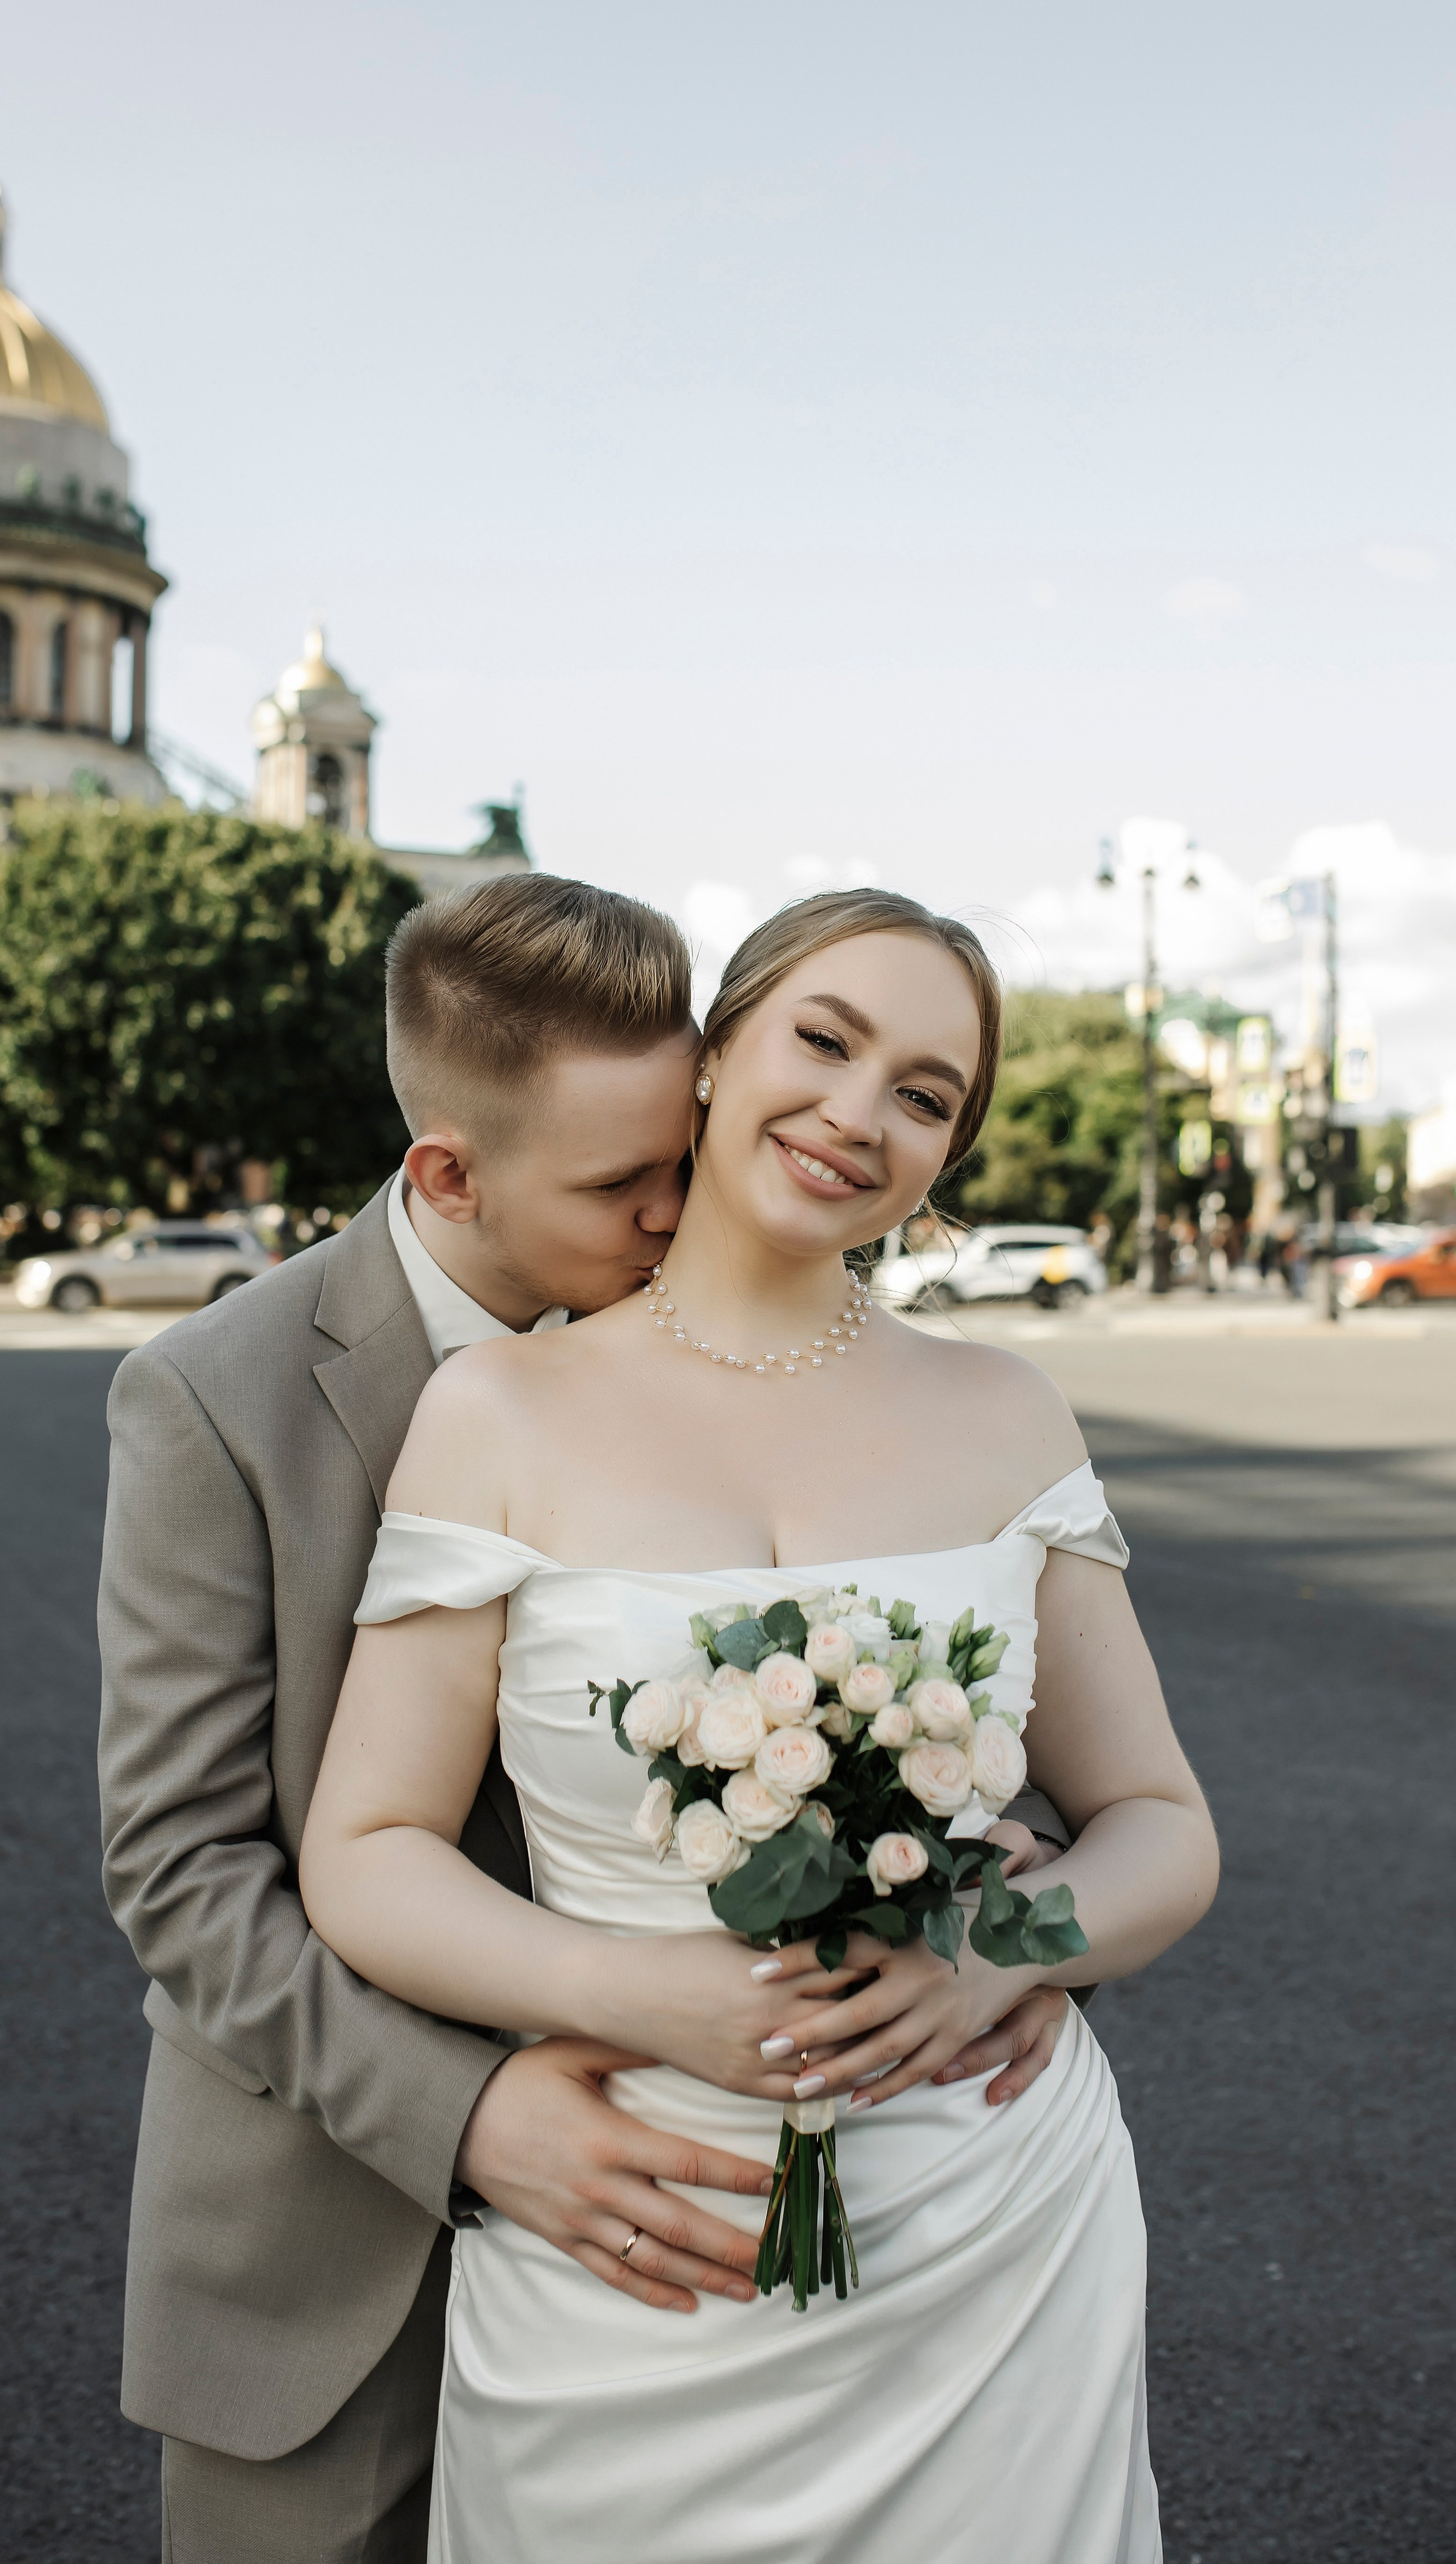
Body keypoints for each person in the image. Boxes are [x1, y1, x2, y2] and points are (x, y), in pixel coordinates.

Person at [97, 875, 1071, 2564]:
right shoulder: (214, 1399)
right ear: (448, 1176)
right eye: (625, 1187)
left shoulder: (787, 1365)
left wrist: (997, 1928)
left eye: (678, 1153)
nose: (675, 1211)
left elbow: (997, 1723)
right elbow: (182, 1873)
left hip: (738, 2219)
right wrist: (469, 2116)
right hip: (334, 2225)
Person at [303, 886, 1219, 2564]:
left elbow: (1161, 1825)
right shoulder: (497, 1409)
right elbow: (365, 1851)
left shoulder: (1006, 1411)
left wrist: (996, 1957)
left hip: (990, 2238)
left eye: (925, 1095)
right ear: (713, 1056)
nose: (858, 1114)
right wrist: (622, 1989)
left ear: (943, 1157)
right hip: (629, 2225)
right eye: (824, 1039)